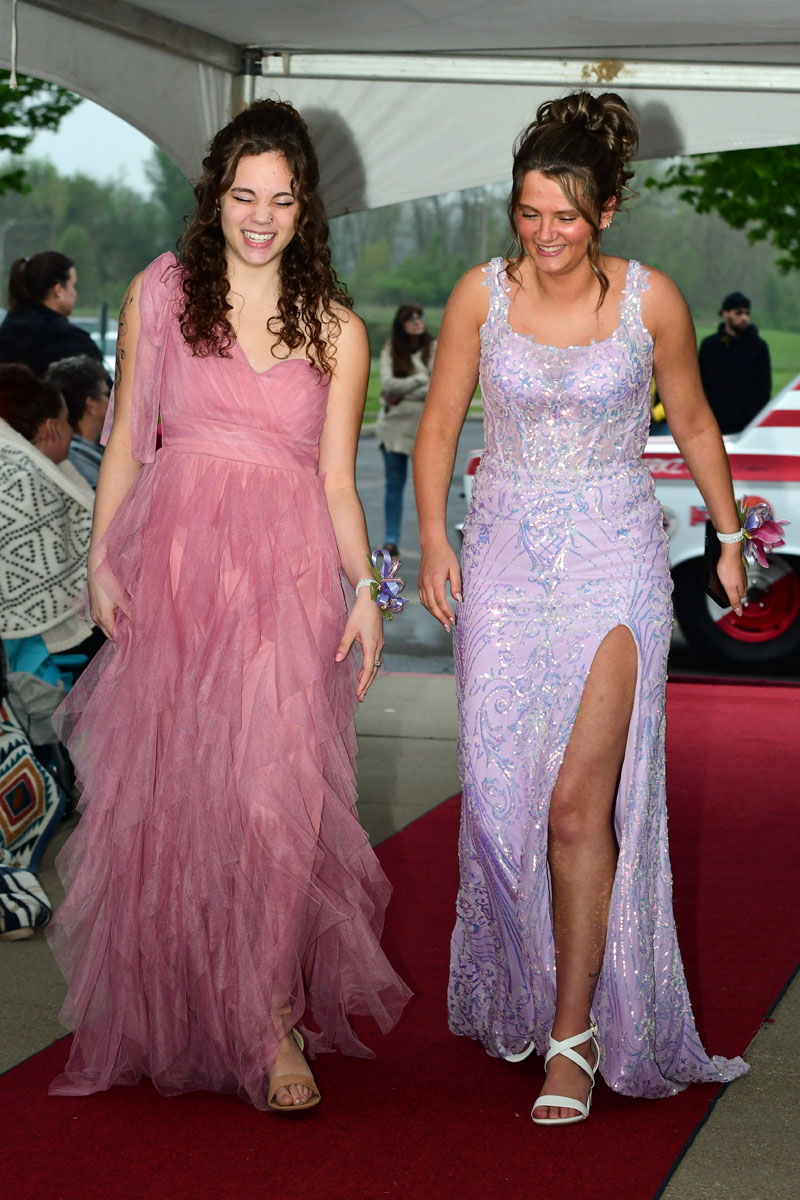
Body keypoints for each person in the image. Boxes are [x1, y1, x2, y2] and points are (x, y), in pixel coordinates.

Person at [46, 98, 410, 1112]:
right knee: (176, 797)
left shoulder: (338, 328)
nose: (260, 215)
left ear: (305, 207)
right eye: (243, 195)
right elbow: (124, 443)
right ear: (215, 199)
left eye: (280, 198)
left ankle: (269, 1019)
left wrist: (371, 595)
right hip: (172, 568)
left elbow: (339, 481)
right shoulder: (160, 292)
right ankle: (176, 1004)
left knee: (271, 802)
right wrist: (100, 561)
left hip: (286, 578)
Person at [414, 91, 749, 1126]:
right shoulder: (481, 295)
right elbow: (435, 427)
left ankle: (573, 1034)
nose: (544, 236)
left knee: (574, 807)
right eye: (527, 214)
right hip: (505, 561)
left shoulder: (652, 302)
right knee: (498, 800)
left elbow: (691, 420)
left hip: (613, 556)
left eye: (563, 216)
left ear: (602, 211)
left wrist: (729, 540)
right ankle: (522, 982)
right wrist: (433, 537)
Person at [0, 363, 95, 667]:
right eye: (67, 421)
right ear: (50, 428)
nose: (70, 430)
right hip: (31, 652)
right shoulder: (27, 481)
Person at [375, 304, 435, 555]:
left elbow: (437, 385)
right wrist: (421, 380)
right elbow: (388, 383)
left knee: (429, 486)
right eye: (410, 319)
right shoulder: (392, 348)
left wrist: (405, 388)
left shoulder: (433, 347)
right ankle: (391, 539)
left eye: (419, 317)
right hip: (394, 425)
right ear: (401, 324)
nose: (416, 322)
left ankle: (432, 540)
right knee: (394, 484)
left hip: (425, 424)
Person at [0, 253, 105, 378]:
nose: (75, 293)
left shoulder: (5, 337)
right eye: (73, 285)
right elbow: (103, 393)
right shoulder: (75, 344)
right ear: (58, 290)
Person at [698, 291, 771, 433]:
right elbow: (700, 385)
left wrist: (749, 422)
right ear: (725, 314)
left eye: (747, 313)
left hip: (746, 427)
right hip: (712, 426)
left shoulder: (758, 347)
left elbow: (763, 391)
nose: (744, 318)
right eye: (738, 313)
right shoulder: (709, 345)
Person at [44, 356, 111, 488]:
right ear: (90, 404)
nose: (111, 401)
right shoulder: (77, 462)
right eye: (106, 395)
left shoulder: (80, 451)